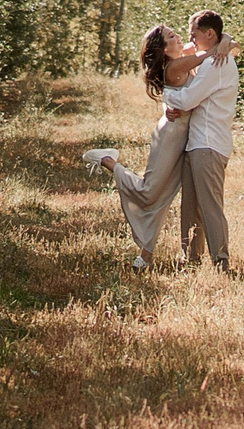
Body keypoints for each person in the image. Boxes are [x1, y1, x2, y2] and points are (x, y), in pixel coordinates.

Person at [80, 19, 235, 269]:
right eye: (172, 37)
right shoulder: (177, 65)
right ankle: (107, 160)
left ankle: (147, 255)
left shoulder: (184, 53)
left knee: (166, 194)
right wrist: (222, 44)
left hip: (187, 137)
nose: (180, 39)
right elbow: (206, 56)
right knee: (150, 191)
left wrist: (225, 40)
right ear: (164, 50)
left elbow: (218, 48)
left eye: (176, 34)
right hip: (171, 135)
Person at [165, 10, 236, 272]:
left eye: (195, 34)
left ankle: (221, 261)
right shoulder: (211, 56)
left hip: (209, 143)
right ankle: (190, 259)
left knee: (210, 206)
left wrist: (163, 94)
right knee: (191, 206)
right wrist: (226, 39)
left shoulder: (216, 63)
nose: (191, 39)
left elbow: (187, 99)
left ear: (209, 34)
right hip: (197, 143)